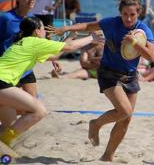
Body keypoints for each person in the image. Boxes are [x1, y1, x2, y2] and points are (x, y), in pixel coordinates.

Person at [47, 0, 154, 162]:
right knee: (124, 111)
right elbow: (87, 26)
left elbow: (150, 56)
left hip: (130, 76)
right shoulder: (111, 23)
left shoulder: (143, 30)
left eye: (132, 15)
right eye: (125, 14)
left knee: (126, 119)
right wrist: (65, 28)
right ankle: (96, 124)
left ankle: (107, 156)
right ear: (120, 13)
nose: (128, 18)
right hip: (108, 73)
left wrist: (135, 43)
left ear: (138, 13)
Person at [0, 16, 101, 146]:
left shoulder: (23, 42)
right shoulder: (33, 41)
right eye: (43, 28)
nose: (45, 32)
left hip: (3, 84)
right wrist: (92, 38)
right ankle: (5, 142)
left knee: (9, 126)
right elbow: (70, 48)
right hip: (2, 83)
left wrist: (70, 35)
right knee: (39, 111)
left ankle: (4, 146)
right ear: (37, 31)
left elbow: (54, 55)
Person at [0, 0, 39, 132]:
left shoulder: (34, 20)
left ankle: (11, 138)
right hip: (9, 71)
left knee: (31, 110)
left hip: (27, 70)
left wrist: (52, 60)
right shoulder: (6, 19)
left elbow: (36, 44)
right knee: (14, 112)